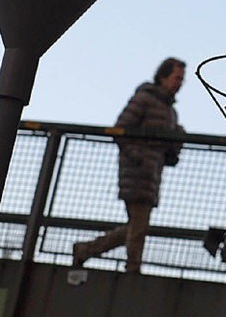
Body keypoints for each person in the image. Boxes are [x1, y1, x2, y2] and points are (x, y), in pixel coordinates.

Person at [73, 57, 186, 273]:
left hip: (151, 174)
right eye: (177, 77)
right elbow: (121, 129)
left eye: (182, 79)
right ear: (163, 76)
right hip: (137, 172)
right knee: (139, 226)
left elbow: (169, 154)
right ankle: (132, 267)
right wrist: (138, 157)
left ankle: (86, 250)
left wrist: (175, 142)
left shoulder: (170, 112)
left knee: (136, 226)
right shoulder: (144, 99)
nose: (179, 83)